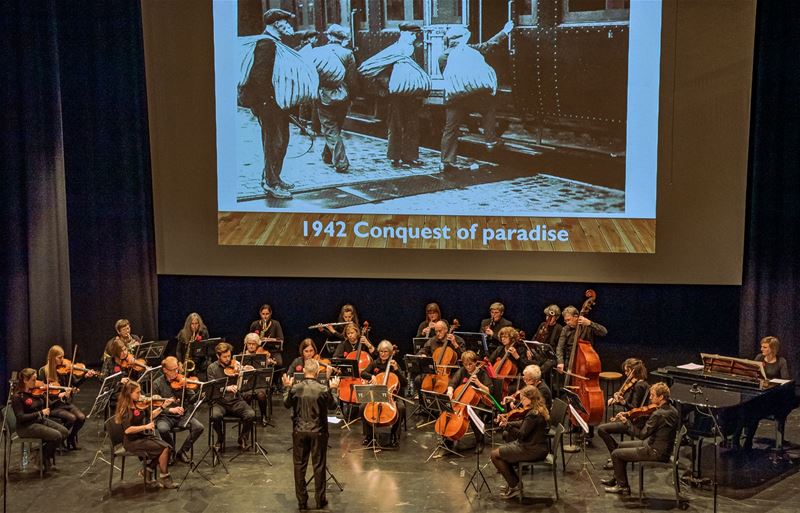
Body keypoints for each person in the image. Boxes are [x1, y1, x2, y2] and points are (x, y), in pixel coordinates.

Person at [238, 9, 308, 199]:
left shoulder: (274, 42)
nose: (289, 25)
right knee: (274, 142)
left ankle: (273, 177)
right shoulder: (266, 44)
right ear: (277, 24)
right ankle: (271, 183)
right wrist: (268, 101)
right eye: (286, 22)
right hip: (269, 103)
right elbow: (260, 76)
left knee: (281, 140)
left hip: (275, 102)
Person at [439, 21, 514, 172]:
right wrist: (505, 31)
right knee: (489, 109)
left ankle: (446, 161)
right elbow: (488, 45)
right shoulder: (470, 50)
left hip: (454, 99)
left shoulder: (443, 57)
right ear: (462, 38)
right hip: (474, 98)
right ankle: (490, 140)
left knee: (450, 129)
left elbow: (446, 76)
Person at [602, 382, 679, 495]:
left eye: (652, 395)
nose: (650, 397)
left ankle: (623, 487)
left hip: (655, 452)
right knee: (619, 446)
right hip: (660, 448)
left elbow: (642, 435)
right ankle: (617, 480)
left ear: (661, 397)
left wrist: (626, 423)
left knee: (616, 454)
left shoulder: (659, 414)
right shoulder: (673, 410)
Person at [283, 359, 340, 510]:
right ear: (317, 372)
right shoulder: (323, 389)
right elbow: (333, 406)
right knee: (319, 465)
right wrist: (334, 389)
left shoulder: (295, 388)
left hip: (299, 431)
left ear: (303, 371)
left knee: (299, 466)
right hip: (318, 432)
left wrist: (287, 387)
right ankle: (320, 500)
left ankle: (302, 502)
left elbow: (286, 404)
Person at [490, 385, 550, 499]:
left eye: (523, 398)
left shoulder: (533, 414)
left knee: (495, 455)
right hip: (535, 446)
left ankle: (514, 486)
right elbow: (523, 423)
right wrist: (508, 422)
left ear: (530, 399)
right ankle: (515, 483)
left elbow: (521, 435)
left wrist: (507, 426)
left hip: (533, 450)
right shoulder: (537, 409)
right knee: (501, 454)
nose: (521, 401)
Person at [115, 381, 177, 489]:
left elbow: (151, 416)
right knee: (164, 449)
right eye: (137, 392)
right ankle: (165, 478)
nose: (141, 395)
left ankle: (147, 470)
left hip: (142, 436)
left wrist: (163, 407)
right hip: (132, 441)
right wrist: (145, 427)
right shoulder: (125, 408)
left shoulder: (139, 404)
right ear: (129, 393)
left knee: (168, 448)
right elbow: (128, 430)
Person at [314, 24, 356, 173]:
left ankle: (340, 162)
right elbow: (352, 79)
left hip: (324, 96)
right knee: (335, 127)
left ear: (329, 36)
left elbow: (313, 75)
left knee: (330, 128)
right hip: (343, 97)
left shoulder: (317, 51)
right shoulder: (348, 53)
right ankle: (328, 156)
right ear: (342, 39)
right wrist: (352, 97)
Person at [38, 345, 96, 450]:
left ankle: (70, 437)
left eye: (63, 357)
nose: (62, 360)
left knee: (81, 417)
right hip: (52, 405)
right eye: (59, 357)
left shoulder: (65, 370)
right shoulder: (43, 371)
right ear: (52, 358)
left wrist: (85, 376)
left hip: (64, 403)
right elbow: (41, 392)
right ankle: (58, 438)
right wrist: (58, 395)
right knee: (72, 418)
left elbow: (75, 384)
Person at [11, 368, 69, 472]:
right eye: (33, 380)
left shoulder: (36, 392)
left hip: (38, 421)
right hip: (26, 427)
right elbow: (21, 417)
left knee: (64, 432)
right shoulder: (18, 397)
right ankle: (44, 459)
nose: (36, 382)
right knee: (56, 436)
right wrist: (40, 413)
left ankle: (39, 455)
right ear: (25, 380)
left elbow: (51, 406)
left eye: (36, 379)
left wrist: (62, 398)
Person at [596, 358, 649, 469]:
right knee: (603, 429)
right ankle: (617, 453)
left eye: (627, 371)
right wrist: (619, 400)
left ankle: (616, 456)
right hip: (631, 418)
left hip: (635, 423)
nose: (625, 374)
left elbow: (634, 408)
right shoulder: (638, 384)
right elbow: (629, 403)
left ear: (633, 371)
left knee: (602, 429)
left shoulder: (639, 386)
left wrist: (623, 403)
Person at [151, 356, 204, 464]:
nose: (176, 372)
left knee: (199, 427)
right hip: (165, 417)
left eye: (177, 369)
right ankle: (171, 451)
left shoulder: (181, 380)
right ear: (165, 370)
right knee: (162, 429)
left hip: (182, 415)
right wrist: (171, 410)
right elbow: (155, 407)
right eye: (173, 370)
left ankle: (182, 451)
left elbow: (192, 400)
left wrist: (199, 393)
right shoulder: (157, 384)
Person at [206, 342, 256, 451]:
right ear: (218, 356)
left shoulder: (236, 365)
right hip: (219, 402)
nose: (228, 359)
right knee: (214, 416)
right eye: (225, 357)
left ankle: (242, 438)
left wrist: (243, 373)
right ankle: (220, 438)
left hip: (235, 400)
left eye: (229, 356)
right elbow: (211, 388)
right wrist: (226, 388)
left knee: (251, 414)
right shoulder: (211, 368)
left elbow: (246, 383)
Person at [359, 340, 407, 447]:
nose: (383, 354)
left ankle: (394, 435)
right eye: (381, 351)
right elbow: (363, 373)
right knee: (362, 407)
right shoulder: (375, 363)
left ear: (390, 353)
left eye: (386, 352)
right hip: (377, 395)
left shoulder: (394, 364)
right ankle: (369, 435)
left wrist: (396, 370)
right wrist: (371, 376)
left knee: (400, 408)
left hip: (391, 396)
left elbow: (404, 383)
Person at [446, 350, 492, 454]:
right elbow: (452, 383)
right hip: (462, 401)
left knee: (473, 413)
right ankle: (448, 439)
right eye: (465, 364)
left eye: (470, 364)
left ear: (476, 362)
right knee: (448, 410)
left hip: (479, 401)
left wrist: (478, 383)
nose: (468, 367)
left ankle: (480, 441)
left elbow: (488, 391)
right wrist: (450, 391)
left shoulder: (482, 373)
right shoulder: (462, 371)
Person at [413, 320, 465, 398]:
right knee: (418, 379)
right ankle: (423, 402)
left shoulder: (458, 340)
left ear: (446, 330)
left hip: (451, 372)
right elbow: (422, 350)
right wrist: (422, 354)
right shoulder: (432, 340)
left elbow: (464, 357)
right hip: (434, 371)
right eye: (436, 331)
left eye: (440, 331)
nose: (437, 333)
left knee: (450, 384)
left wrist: (455, 344)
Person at [555, 305, 607, 377]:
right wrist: (560, 362)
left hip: (586, 363)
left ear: (576, 317)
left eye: (568, 320)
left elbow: (604, 332)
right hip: (570, 362)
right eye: (565, 321)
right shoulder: (565, 329)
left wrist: (590, 323)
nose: (567, 323)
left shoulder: (587, 326)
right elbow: (560, 347)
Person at [242, 332, 276, 426]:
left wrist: (269, 362)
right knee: (247, 395)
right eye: (249, 344)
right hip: (247, 384)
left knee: (261, 395)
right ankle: (247, 416)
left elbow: (270, 367)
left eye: (253, 344)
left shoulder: (262, 356)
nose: (251, 346)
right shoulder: (242, 356)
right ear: (246, 344)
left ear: (257, 345)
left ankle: (263, 416)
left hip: (259, 383)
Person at [489, 326, 531, 398]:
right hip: (499, 379)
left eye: (505, 337)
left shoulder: (520, 349)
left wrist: (517, 357)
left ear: (512, 338)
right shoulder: (500, 349)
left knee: (507, 390)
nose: (503, 339)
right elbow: (490, 362)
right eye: (502, 337)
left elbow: (526, 367)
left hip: (514, 381)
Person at [529, 304, 561, 381]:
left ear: (557, 317)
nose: (548, 318)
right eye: (547, 316)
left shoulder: (559, 329)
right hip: (540, 354)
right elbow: (534, 339)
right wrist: (529, 349)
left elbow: (559, 347)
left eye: (551, 317)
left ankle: (534, 378)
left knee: (545, 365)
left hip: (551, 357)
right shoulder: (542, 325)